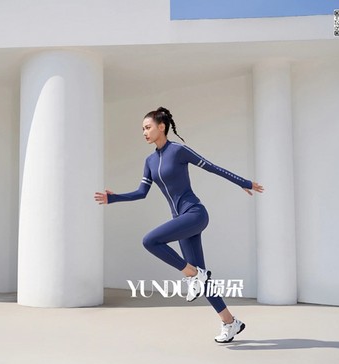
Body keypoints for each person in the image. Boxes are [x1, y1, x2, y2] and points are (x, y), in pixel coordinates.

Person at [95, 107, 264, 343]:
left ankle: (192, 274)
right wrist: (113, 198)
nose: (144, 132)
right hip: (180, 221)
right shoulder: (149, 161)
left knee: (150, 241)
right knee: (203, 280)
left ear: (161, 126)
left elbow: (211, 166)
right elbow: (141, 192)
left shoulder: (178, 150)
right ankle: (230, 322)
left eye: (147, 127)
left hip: (194, 214)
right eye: (142, 129)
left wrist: (243, 182)